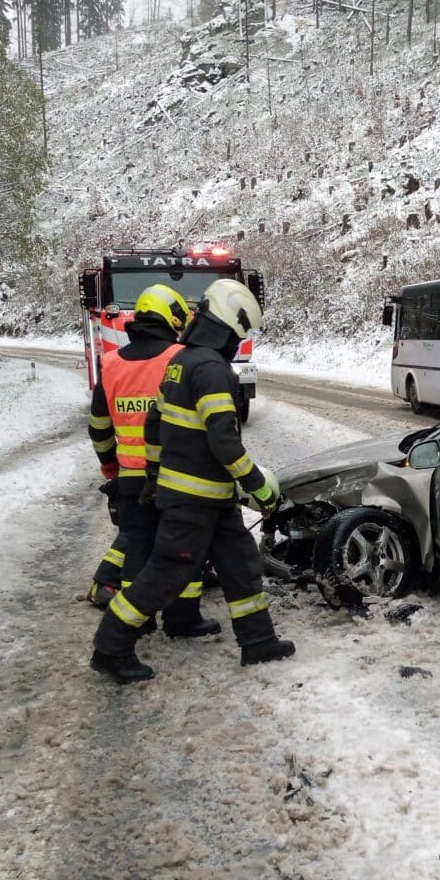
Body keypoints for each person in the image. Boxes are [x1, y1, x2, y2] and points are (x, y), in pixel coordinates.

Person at [90, 279, 294, 683]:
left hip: (211, 499)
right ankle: (110, 647)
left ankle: (258, 641)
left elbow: (153, 424)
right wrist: (258, 485)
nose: (238, 342)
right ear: (226, 326)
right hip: (194, 501)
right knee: (165, 574)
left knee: (240, 565)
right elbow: (224, 441)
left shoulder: (181, 362)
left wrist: (153, 476)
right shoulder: (212, 369)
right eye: (239, 333)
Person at [86, 284, 220, 649]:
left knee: (137, 548)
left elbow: (98, 427)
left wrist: (110, 466)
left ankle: (136, 621)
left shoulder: (111, 364)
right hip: (178, 477)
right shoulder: (182, 358)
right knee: (185, 548)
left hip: (131, 479)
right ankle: (183, 619)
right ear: (172, 318)